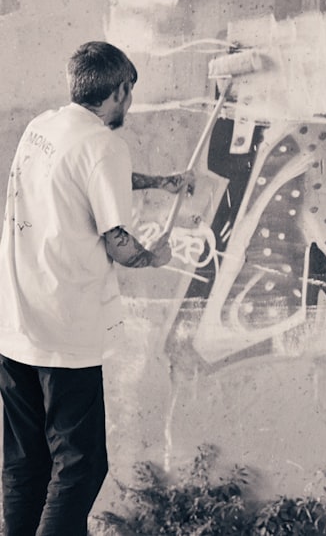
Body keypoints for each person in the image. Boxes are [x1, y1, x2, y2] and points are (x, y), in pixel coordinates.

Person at [0, 41, 194, 535]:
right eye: (130, 93)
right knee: (81, 467)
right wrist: (156, 257)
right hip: (64, 333)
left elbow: (85, 177)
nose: (129, 103)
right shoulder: (105, 143)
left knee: (27, 465)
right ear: (120, 89)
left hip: (15, 324)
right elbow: (118, 242)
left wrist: (162, 182)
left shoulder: (42, 127)